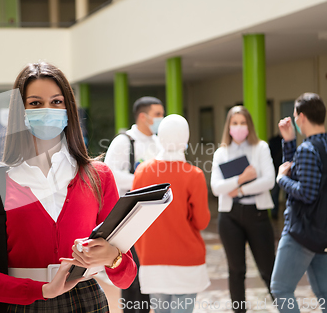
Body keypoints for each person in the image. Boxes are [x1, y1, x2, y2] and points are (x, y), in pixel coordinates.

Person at [0, 62, 136, 311]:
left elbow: (127, 275)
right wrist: (42, 290)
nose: (47, 110)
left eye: (56, 102)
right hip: (19, 302)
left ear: (69, 109)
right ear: (20, 112)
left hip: (86, 300)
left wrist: (113, 258)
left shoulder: (99, 176)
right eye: (35, 103)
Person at [133, 114, 211, 313]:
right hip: (187, 262)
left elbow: (134, 218)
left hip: (152, 259)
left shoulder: (142, 171)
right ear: (186, 139)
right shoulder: (194, 175)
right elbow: (202, 222)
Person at [210, 106, 276, 313]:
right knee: (236, 270)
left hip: (257, 214)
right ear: (228, 127)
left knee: (269, 269)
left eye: (243, 122)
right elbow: (216, 188)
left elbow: (269, 181)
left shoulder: (261, 148)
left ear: (249, 125)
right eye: (234, 123)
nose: (239, 127)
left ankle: (285, 307)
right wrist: (241, 178)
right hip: (229, 217)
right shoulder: (221, 152)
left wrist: (238, 189)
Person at [104, 96, 164, 312]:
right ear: (142, 116)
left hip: (154, 214)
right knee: (131, 269)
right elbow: (110, 173)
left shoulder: (158, 143)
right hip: (130, 215)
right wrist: (142, 179)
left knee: (149, 271)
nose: (161, 119)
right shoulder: (124, 141)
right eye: (158, 115)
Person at [271, 93, 327, 313]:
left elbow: (307, 192)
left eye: (295, 115)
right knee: (323, 292)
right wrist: (289, 142)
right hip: (321, 232)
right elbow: (304, 172)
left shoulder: (308, 149)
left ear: (301, 117)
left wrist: (281, 179)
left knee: (281, 288)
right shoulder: (317, 147)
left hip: (302, 232)